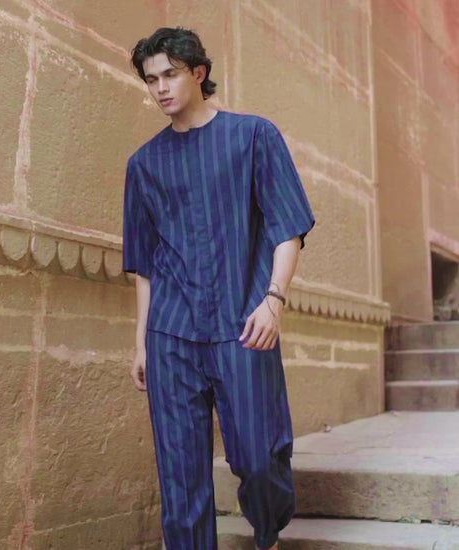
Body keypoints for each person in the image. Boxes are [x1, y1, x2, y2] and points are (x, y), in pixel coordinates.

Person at [122, 26, 315, 550]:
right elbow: (145, 264)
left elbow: (288, 228)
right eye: (151, 79)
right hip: (171, 333)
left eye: (170, 74)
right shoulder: (143, 164)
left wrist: (273, 301)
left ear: (199, 73)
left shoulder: (253, 137)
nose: (161, 88)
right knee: (180, 472)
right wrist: (141, 343)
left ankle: (268, 534)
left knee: (258, 456)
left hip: (244, 322)